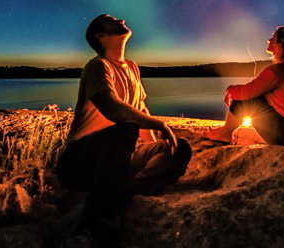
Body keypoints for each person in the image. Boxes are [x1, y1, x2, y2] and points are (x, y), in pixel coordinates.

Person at [56, 14, 191, 245]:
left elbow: (141, 110)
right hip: (78, 162)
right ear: (101, 36)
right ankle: (91, 224)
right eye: (110, 20)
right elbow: (112, 109)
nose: (119, 19)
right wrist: (159, 124)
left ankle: (119, 194)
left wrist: (152, 144)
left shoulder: (132, 68)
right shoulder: (98, 67)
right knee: (126, 129)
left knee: (179, 149)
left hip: (119, 160)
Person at [206, 25, 284, 146]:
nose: (269, 40)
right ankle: (225, 132)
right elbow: (255, 90)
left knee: (243, 101)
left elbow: (246, 93)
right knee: (254, 98)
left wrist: (229, 91)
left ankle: (224, 134)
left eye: (273, 38)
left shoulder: (278, 70)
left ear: (280, 46)